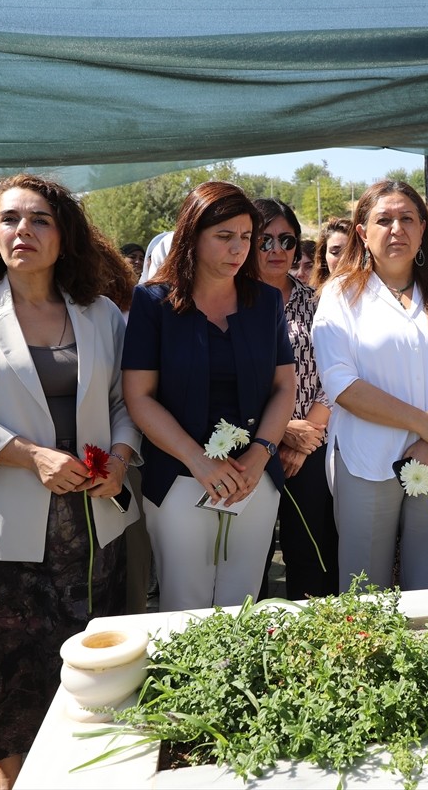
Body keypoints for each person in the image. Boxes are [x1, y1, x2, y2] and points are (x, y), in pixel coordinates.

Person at [0, 173, 141, 789]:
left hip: (92, 521)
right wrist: (30, 456)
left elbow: (128, 402)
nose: (24, 231)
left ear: (64, 235)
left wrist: (119, 459)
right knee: (8, 686)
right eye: (10, 219)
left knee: (95, 672)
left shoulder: (99, 315)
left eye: (40, 219)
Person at [122, 182, 295, 612]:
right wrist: (197, 460)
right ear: (191, 236)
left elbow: (283, 387)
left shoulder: (267, 302)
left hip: (254, 478)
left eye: (245, 238)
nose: (239, 249)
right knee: (184, 605)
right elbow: (138, 396)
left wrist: (259, 456)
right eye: (224, 237)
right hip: (178, 478)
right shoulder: (152, 303)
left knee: (245, 606)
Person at [312, 180, 428, 592]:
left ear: (423, 228)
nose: (396, 229)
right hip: (366, 459)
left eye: (407, 218)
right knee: (364, 588)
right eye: (383, 220)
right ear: (362, 233)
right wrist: (425, 424)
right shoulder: (340, 295)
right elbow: (342, 383)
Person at [253, 199, 337, 599]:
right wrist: (280, 431)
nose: (277, 250)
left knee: (309, 553)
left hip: (310, 444)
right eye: (265, 240)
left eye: (287, 240)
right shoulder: (230, 303)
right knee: (252, 555)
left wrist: (305, 439)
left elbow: (333, 374)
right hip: (246, 443)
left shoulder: (316, 302)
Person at [309, 216, 349, 290]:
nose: (343, 259)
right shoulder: (312, 297)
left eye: (350, 252)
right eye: (335, 252)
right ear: (324, 256)